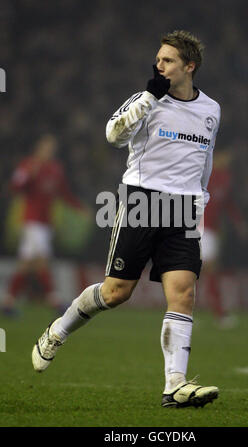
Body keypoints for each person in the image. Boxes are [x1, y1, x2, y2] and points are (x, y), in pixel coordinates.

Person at [32, 30, 221, 409]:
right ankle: (57, 331)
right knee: (117, 292)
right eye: (158, 59)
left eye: (167, 60)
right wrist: (150, 98)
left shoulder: (211, 110)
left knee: (184, 291)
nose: (159, 66)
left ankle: (175, 385)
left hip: (183, 208)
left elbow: (206, 157)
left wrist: (202, 197)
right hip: (142, 201)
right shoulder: (148, 99)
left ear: (189, 66)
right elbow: (113, 135)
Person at [2, 134, 85, 315]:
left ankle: (8, 302)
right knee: (41, 260)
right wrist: (29, 176)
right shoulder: (28, 165)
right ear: (38, 148)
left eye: (51, 148)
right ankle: (55, 301)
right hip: (32, 220)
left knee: (26, 264)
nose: (49, 151)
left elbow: (63, 192)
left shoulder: (56, 169)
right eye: (46, 147)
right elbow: (15, 187)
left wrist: (79, 207)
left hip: (46, 222)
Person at [200, 150, 248, 328]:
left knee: (200, 272)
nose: (227, 159)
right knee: (208, 271)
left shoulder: (226, 178)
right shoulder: (204, 173)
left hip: (211, 231)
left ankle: (185, 314)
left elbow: (229, 204)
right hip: (199, 228)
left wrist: (239, 223)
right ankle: (219, 314)